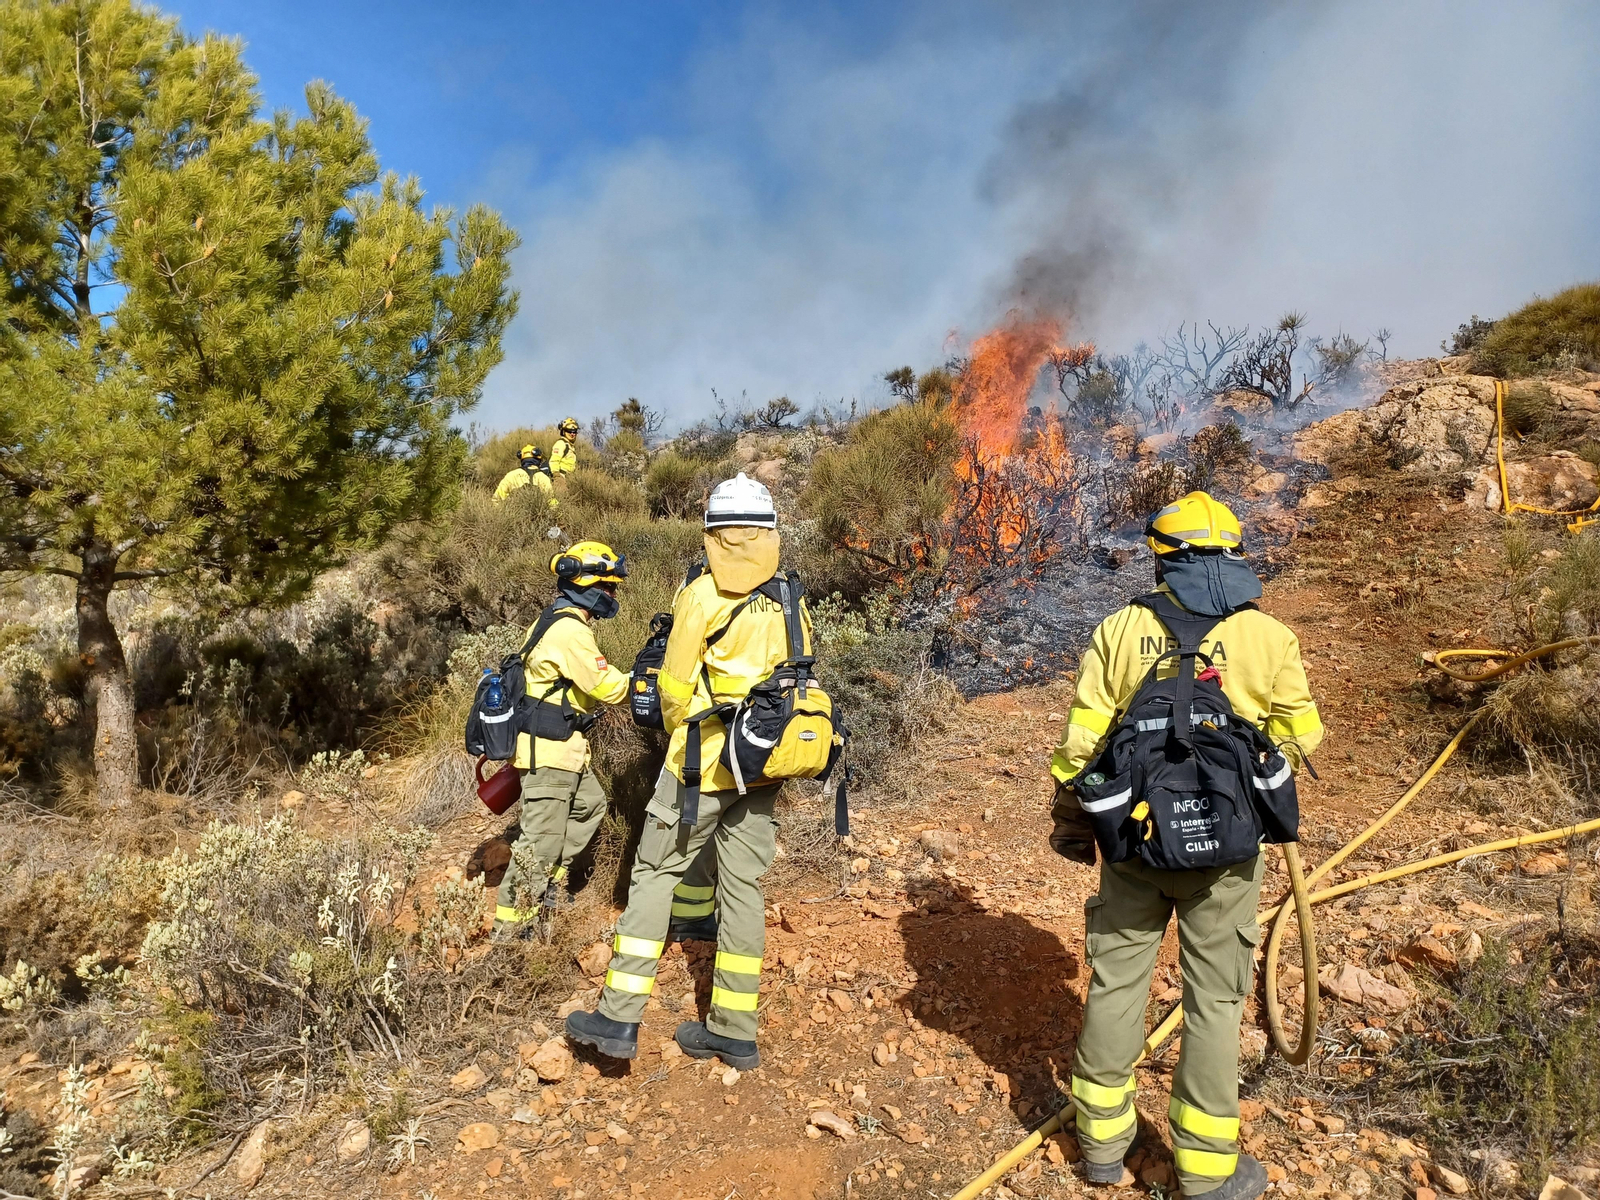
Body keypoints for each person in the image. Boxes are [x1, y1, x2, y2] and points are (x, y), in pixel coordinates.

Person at [1048, 491, 1323, 1200]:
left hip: (1135, 843)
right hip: (1227, 852)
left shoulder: (1120, 629)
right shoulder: (1268, 636)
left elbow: (1081, 744)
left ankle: (1101, 1145)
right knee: (1215, 1001)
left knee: (1116, 981)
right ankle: (1205, 1171)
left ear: (1161, 559)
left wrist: (1075, 817)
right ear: (1234, 555)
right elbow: (1302, 735)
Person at [566, 473, 807, 1069]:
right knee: (744, 889)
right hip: (763, 763)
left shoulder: (700, 596)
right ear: (768, 532)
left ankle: (618, 1017)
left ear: (714, 534)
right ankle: (734, 1030)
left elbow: (673, 692)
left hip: (699, 767)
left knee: (653, 875)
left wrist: (680, 726)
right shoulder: (789, 595)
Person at [493, 542, 630, 937]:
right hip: (549, 752)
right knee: (539, 842)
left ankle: (548, 884)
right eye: (608, 587)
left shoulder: (553, 618)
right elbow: (606, 686)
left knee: (589, 804)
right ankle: (510, 935)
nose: (613, 594)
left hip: (562, 748)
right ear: (587, 585)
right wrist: (646, 685)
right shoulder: (571, 631)